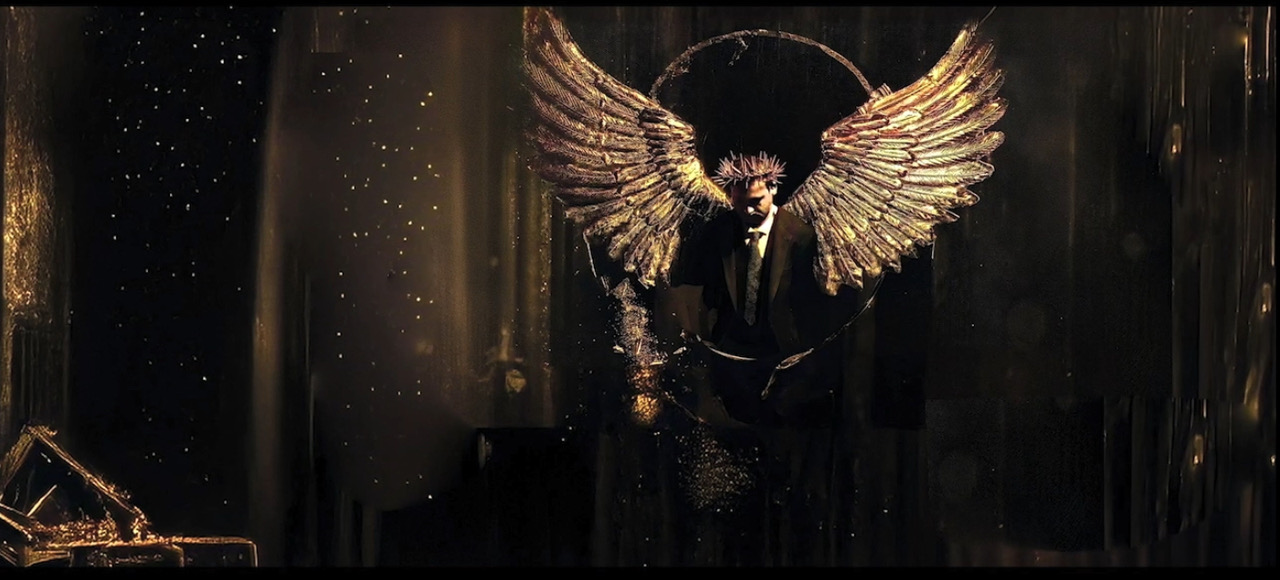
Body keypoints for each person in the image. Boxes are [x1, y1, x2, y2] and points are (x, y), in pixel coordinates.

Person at [672, 151, 837, 428]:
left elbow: (813, 304)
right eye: (739, 203)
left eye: (756, 201)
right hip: (730, 358)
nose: (748, 211)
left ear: (773, 189)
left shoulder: (800, 236)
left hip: (782, 359)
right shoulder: (718, 232)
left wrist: (805, 360)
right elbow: (697, 287)